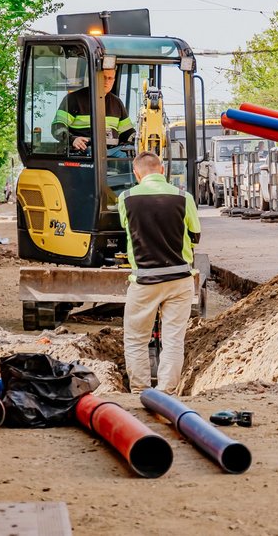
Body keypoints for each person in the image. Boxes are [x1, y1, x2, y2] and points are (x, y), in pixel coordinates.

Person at [118, 151, 201, 394]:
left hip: (144, 280)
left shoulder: (126, 198)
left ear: (136, 173)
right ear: (162, 170)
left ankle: (140, 391)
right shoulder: (184, 197)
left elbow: (129, 231)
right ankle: (166, 394)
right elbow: (195, 236)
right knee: (173, 340)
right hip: (180, 280)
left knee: (135, 340)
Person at [52, 67, 134, 153]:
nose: (106, 81)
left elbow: (127, 132)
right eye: (103, 77)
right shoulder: (73, 99)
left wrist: (138, 138)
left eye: (110, 78)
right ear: (94, 78)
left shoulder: (117, 102)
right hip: (83, 152)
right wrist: (72, 139)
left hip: (112, 152)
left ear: (114, 80)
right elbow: (57, 126)